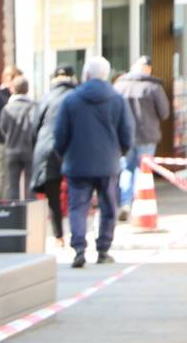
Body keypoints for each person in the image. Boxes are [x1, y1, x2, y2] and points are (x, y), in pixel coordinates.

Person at [52, 55, 133, 269]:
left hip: (77, 163)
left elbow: (60, 134)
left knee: (77, 207)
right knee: (109, 207)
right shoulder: (117, 99)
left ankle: (79, 248)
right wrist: (118, 153)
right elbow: (127, 134)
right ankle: (103, 249)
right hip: (108, 163)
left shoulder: (70, 100)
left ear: (86, 75)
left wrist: (64, 154)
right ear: (106, 76)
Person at [115, 57, 171, 212]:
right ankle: (139, 202)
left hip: (124, 135)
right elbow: (164, 113)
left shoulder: (119, 86)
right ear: (148, 69)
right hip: (147, 135)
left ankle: (125, 203)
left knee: (126, 169)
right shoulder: (152, 87)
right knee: (143, 170)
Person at [31, 65, 76, 247]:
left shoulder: (47, 97)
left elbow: (35, 127)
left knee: (53, 195)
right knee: (77, 193)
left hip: (47, 148)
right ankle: (77, 236)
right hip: (73, 149)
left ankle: (59, 236)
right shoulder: (77, 95)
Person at [0, 76, 38, 202]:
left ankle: (13, 213)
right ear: (27, 89)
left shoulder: (7, 108)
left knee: (12, 184)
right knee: (30, 182)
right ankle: (31, 212)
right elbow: (37, 126)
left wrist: (10, 137)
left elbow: (2, 128)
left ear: (13, 89)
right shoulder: (34, 106)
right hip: (29, 149)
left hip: (11, 149)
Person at [0, 66, 23, 193]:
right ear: (9, 79)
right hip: (1, 142)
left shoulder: (8, 96)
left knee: (8, 179)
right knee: (2, 177)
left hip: (10, 142)